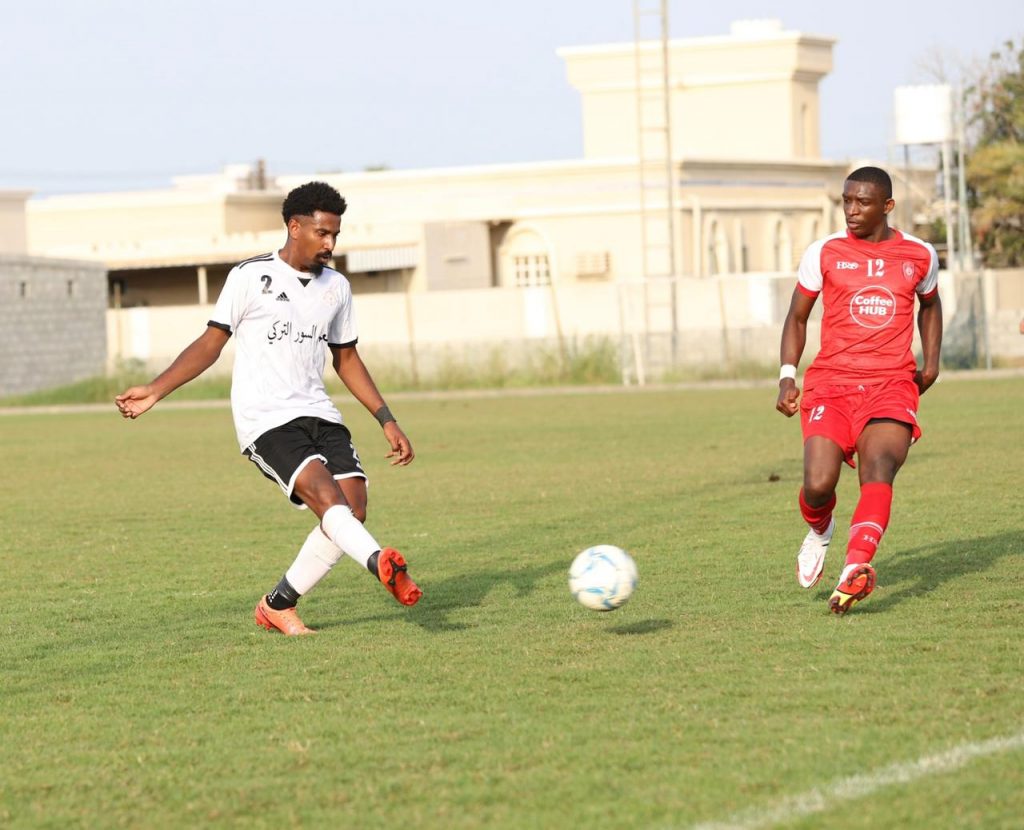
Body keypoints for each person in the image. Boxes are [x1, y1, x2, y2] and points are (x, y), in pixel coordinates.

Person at [116, 181, 421, 635]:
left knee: (353, 511)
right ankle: (379, 561)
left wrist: (386, 419)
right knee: (328, 499)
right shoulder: (249, 277)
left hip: (320, 412)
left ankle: (278, 605)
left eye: (335, 235)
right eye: (322, 233)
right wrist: (156, 390)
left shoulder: (337, 287)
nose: (330, 244)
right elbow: (210, 343)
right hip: (266, 418)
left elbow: (347, 358)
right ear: (294, 227)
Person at [776, 166, 942, 614]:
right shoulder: (824, 252)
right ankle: (820, 530)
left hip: (891, 383)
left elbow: (930, 305)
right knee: (817, 485)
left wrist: (931, 362)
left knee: (879, 468)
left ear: (887, 206)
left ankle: (855, 567)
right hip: (831, 383)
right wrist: (788, 375)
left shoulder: (919, 254)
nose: (851, 210)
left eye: (863, 202)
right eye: (846, 200)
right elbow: (797, 316)